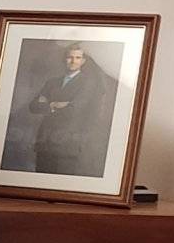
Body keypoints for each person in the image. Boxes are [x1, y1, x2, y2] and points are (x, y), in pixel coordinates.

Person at [23, 42, 119, 176]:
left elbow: (73, 110)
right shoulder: (52, 82)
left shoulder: (88, 84)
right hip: (45, 143)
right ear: (64, 59)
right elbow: (33, 106)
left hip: (67, 144)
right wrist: (53, 105)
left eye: (77, 58)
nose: (73, 61)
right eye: (70, 57)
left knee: (59, 185)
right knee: (40, 184)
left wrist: (47, 103)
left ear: (83, 61)